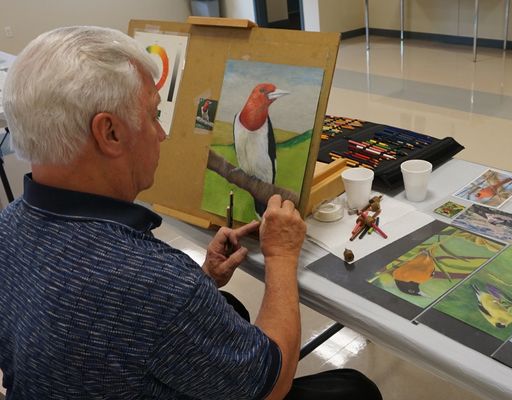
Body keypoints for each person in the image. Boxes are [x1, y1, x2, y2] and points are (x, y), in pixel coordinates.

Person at [0, 26, 382, 399]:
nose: (163, 134)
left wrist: (202, 281)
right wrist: (281, 256)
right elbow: (273, 385)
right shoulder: (153, 281)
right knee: (352, 390)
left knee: (225, 308)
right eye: (153, 116)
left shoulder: (7, 227)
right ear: (110, 133)